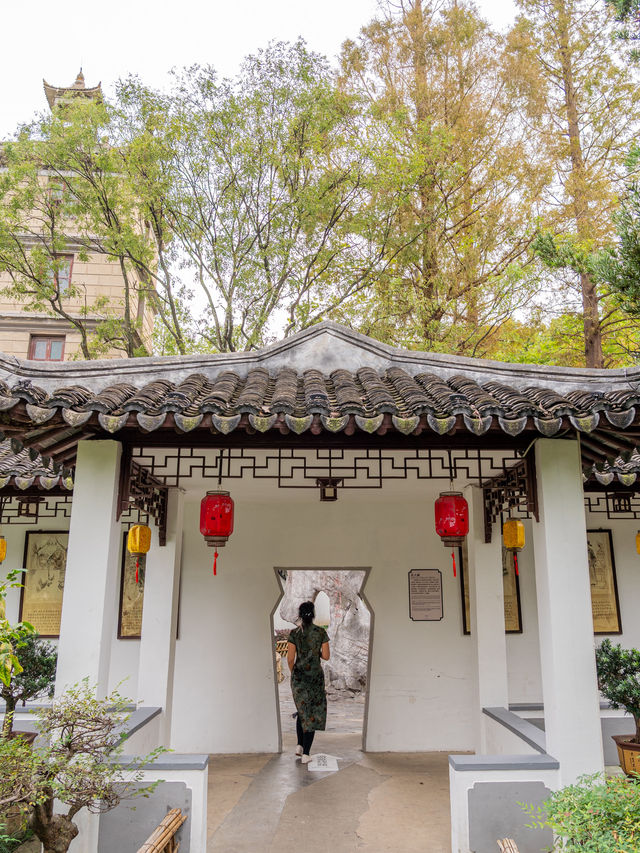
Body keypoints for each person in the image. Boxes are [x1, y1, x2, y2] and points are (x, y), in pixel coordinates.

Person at [287, 600, 330, 764]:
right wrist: (316, 652)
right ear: (313, 615)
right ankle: (306, 754)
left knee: (302, 711)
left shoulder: (294, 634)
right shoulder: (320, 633)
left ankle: (299, 745)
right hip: (315, 679)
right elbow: (326, 656)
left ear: (299, 615)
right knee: (311, 714)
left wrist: (296, 674)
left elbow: (290, 659)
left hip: (299, 679)